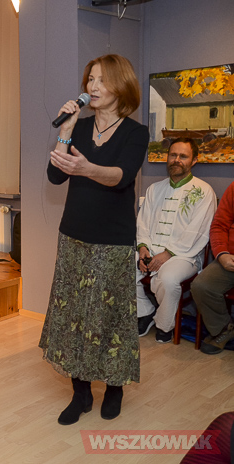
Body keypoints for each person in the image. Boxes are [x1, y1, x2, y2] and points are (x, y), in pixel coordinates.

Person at [39, 54, 149, 425]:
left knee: (109, 317)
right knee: (73, 317)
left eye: (102, 79)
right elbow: (56, 177)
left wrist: (88, 169)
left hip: (113, 240)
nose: (93, 86)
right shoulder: (80, 127)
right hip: (73, 235)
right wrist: (66, 130)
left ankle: (114, 388)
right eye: (90, 79)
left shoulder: (135, 133)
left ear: (121, 86)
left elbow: (122, 176)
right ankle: (81, 393)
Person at [136, 137, 216, 343]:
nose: (177, 160)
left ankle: (165, 325)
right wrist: (143, 248)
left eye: (183, 156)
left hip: (185, 255)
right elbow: (142, 222)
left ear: (194, 160)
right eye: (173, 155)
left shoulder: (204, 191)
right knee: (119, 265)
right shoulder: (154, 189)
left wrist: (167, 254)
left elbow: (198, 231)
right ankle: (145, 312)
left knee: (169, 279)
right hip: (152, 248)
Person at [192, 181, 234, 355]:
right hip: (230, 257)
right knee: (202, 286)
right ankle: (224, 328)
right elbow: (219, 225)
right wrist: (222, 254)